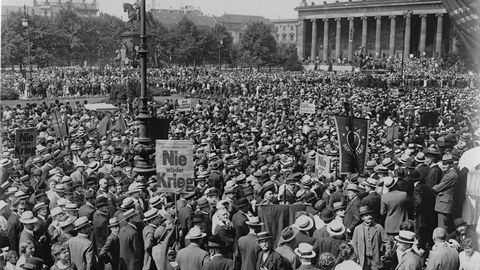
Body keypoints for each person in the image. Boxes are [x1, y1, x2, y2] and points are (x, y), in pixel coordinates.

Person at [351, 206, 391, 270]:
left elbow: (387, 241)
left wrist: (387, 253)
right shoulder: (357, 229)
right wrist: (357, 258)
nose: (369, 217)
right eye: (366, 215)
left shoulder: (378, 227)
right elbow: (354, 244)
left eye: (370, 215)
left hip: (376, 258)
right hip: (364, 259)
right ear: (362, 218)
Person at [433, 154, 457, 232]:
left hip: (444, 205)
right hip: (445, 203)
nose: (443, 166)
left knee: (442, 228)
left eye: (445, 164)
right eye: (443, 164)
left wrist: (436, 188)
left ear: (451, 164)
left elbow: (437, 188)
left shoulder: (450, 175)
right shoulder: (449, 173)